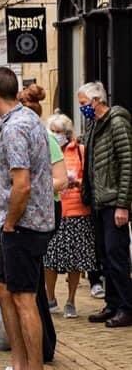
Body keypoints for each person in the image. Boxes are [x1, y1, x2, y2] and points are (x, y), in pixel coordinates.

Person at [0, 67, 54, 370]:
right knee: (2, 289)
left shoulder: (15, 128)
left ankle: (32, 366)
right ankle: (18, 363)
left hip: (24, 223)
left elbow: (22, 183)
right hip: (23, 221)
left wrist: (11, 222)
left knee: (25, 298)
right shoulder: (27, 119)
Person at [18, 83, 67, 362]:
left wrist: (34, 187)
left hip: (46, 212)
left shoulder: (46, 138)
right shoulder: (21, 135)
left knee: (32, 282)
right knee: (31, 283)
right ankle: (40, 343)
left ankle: (43, 345)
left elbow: (62, 178)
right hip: (30, 211)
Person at [78, 81, 132, 328]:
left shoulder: (117, 123)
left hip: (113, 202)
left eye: (83, 104)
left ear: (96, 101)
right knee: (105, 257)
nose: (83, 109)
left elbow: (127, 164)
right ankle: (112, 305)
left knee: (117, 254)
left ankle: (126, 306)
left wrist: (123, 204)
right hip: (98, 202)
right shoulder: (94, 125)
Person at [43, 113, 97, 319]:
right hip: (54, 208)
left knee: (75, 259)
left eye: (61, 132)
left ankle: (71, 300)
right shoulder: (45, 150)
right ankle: (50, 298)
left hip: (76, 211)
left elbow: (90, 179)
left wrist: (77, 182)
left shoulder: (80, 151)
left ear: (68, 134)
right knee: (50, 259)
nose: (57, 136)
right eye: (54, 131)